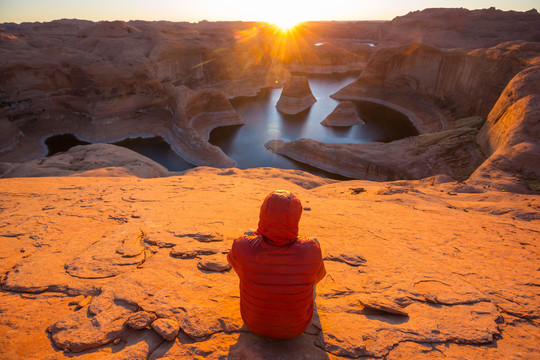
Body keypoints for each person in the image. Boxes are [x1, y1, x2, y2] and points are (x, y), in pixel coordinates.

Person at [227, 190, 326, 339]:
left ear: (263, 213)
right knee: (314, 247)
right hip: (296, 327)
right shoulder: (312, 248)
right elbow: (318, 278)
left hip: (253, 323)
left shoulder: (241, 245)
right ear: (297, 216)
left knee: (248, 235)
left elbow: (235, 267)